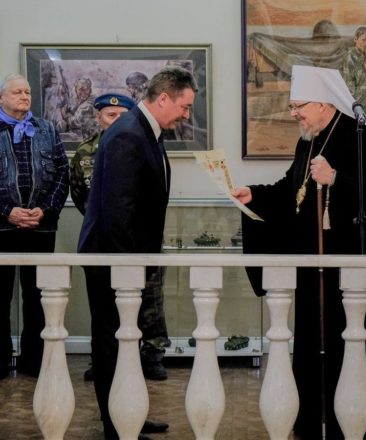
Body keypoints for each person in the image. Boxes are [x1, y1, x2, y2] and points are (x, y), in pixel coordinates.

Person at [233, 65, 366, 440]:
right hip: (316, 270)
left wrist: (336, 179)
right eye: (291, 107)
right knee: (317, 341)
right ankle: (315, 417)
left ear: (323, 103)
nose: (294, 114)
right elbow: (293, 187)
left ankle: (363, 421)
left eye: (298, 106)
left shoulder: (357, 135)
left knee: (355, 343)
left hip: (353, 269)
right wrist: (256, 194)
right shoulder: (309, 139)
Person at [78, 66, 197, 440]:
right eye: (184, 106)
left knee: (128, 342)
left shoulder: (144, 130)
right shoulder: (130, 134)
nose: (186, 115)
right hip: (113, 262)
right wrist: (131, 272)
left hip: (127, 261)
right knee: (113, 343)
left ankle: (129, 412)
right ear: (163, 98)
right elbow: (119, 211)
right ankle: (116, 424)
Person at [71, 93, 170, 382]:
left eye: (121, 115)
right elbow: (81, 194)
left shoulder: (144, 140)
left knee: (147, 305)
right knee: (107, 320)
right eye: (110, 114)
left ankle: (149, 359)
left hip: (137, 243)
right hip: (108, 244)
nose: (116, 119)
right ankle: (107, 371)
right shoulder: (87, 150)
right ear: (98, 117)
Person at [0, 74, 69, 378]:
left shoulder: (47, 129)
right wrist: (7, 212)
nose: (25, 96)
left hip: (40, 228)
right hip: (2, 228)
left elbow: (62, 174)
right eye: (17, 92)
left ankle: (35, 362)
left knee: (38, 297)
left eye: (27, 92)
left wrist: (46, 209)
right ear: (1, 98)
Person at [341, 26, 366, 129]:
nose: (365, 44)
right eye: (363, 40)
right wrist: (353, 105)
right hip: (358, 103)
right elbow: (349, 84)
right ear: (355, 39)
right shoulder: (349, 58)